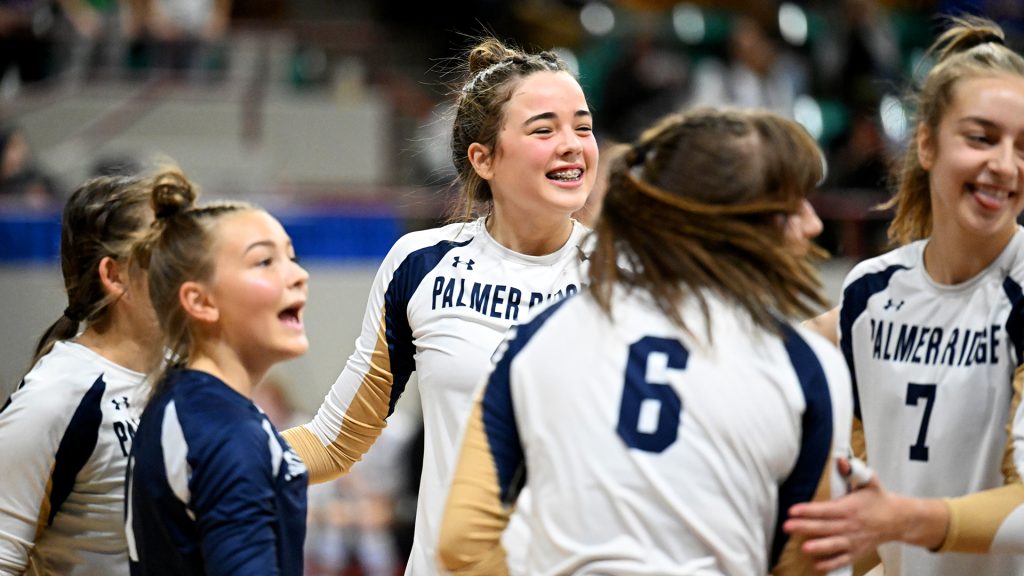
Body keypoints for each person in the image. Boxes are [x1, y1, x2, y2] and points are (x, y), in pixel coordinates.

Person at [437, 108, 853, 575]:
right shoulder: (807, 366)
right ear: (733, 223)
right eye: (791, 207)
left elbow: (460, 543)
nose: (814, 224)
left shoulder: (538, 336)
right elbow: (807, 560)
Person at [281, 37, 598, 574]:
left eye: (584, 127)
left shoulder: (624, 276)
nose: (572, 145)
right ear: (484, 158)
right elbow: (335, 442)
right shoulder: (421, 263)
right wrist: (221, 455)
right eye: (544, 129)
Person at [787, 15, 1024, 576]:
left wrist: (902, 520)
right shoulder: (872, 292)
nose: (1005, 164)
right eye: (981, 138)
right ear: (925, 143)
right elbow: (871, 517)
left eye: (1023, 147)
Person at [125, 180, 310, 574]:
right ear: (200, 301)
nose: (297, 275)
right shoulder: (225, 431)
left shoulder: (187, 399)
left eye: (291, 257)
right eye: (264, 261)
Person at [0, 168, 168, 574]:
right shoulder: (57, 394)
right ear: (114, 276)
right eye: (169, 247)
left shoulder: (188, 379)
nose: (193, 262)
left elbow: (320, 451)